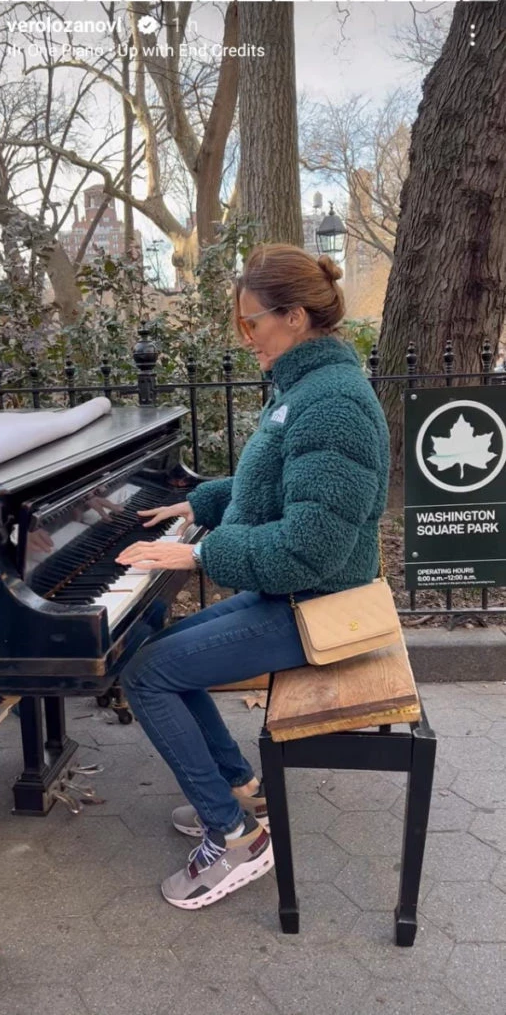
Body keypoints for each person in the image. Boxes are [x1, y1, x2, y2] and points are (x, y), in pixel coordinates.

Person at [116, 243, 390, 911]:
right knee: (154, 657)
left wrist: (199, 556)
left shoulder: (331, 404)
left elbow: (311, 549)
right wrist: (198, 505)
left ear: (295, 317)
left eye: (251, 324)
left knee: (147, 674)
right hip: (296, 596)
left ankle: (235, 836)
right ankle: (236, 785)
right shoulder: (307, 389)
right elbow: (273, 481)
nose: (245, 340)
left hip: (317, 606)